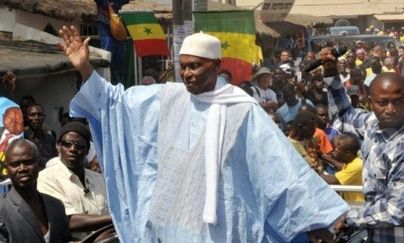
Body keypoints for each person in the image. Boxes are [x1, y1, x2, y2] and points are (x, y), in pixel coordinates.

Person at [59, 25, 348, 242]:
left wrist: (314, 221)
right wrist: (85, 68)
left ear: (217, 66)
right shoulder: (168, 98)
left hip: (224, 228)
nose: (187, 74)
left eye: (195, 66)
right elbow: (114, 102)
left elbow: (279, 170)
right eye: (183, 67)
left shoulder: (242, 110)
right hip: (174, 226)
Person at [319, 47, 404, 241]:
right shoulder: (373, 123)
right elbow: (344, 114)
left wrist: (348, 217)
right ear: (371, 102)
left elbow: (394, 211)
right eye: (383, 102)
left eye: (398, 102)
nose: (391, 109)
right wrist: (331, 75)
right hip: (377, 234)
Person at [37, 121, 112, 239]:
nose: (72, 149)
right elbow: (69, 221)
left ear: (87, 150)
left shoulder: (100, 179)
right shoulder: (46, 178)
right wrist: (115, 219)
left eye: (79, 145)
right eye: (67, 144)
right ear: (58, 147)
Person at [0, 139, 72, 242]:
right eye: (15, 164)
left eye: (28, 162)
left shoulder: (56, 205)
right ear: (7, 169)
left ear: (39, 164)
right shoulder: (2, 210)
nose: (22, 168)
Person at [321, 134, 364, 203]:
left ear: (348, 153)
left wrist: (312, 172)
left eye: (338, 148)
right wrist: (325, 158)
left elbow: (333, 181)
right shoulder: (352, 161)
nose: (335, 150)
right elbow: (341, 167)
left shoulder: (357, 165)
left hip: (357, 205)